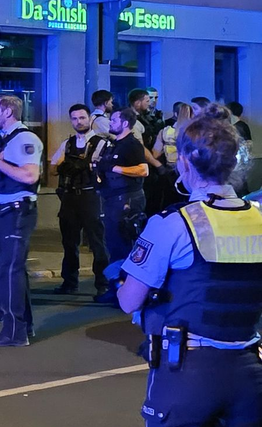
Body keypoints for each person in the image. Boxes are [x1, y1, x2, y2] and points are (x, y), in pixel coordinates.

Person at [118, 105, 262, 427]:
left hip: (187, 372)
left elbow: (129, 300)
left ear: (184, 161)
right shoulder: (259, 218)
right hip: (250, 371)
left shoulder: (173, 223)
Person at [0, 95, 43, 347]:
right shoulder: (2, 138)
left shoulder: (24, 138)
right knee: (10, 270)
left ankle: (14, 331)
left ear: (8, 112)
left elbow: (30, 175)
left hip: (16, 210)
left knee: (9, 271)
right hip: (4, 209)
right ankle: (22, 327)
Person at [50, 105, 110, 297]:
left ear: (89, 119)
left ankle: (103, 285)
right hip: (69, 197)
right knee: (69, 242)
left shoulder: (101, 143)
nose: (79, 122)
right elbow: (53, 167)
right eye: (74, 118)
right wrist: (65, 167)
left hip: (91, 196)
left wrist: (82, 167)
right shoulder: (68, 144)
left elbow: (104, 169)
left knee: (97, 243)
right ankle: (69, 282)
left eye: (82, 118)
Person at [93, 107, 149, 304]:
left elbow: (143, 170)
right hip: (111, 200)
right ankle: (116, 287)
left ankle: (126, 292)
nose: (110, 123)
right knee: (113, 244)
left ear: (125, 123)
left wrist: (116, 168)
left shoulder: (132, 144)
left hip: (126, 200)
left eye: (114, 120)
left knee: (123, 246)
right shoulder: (112, 144)